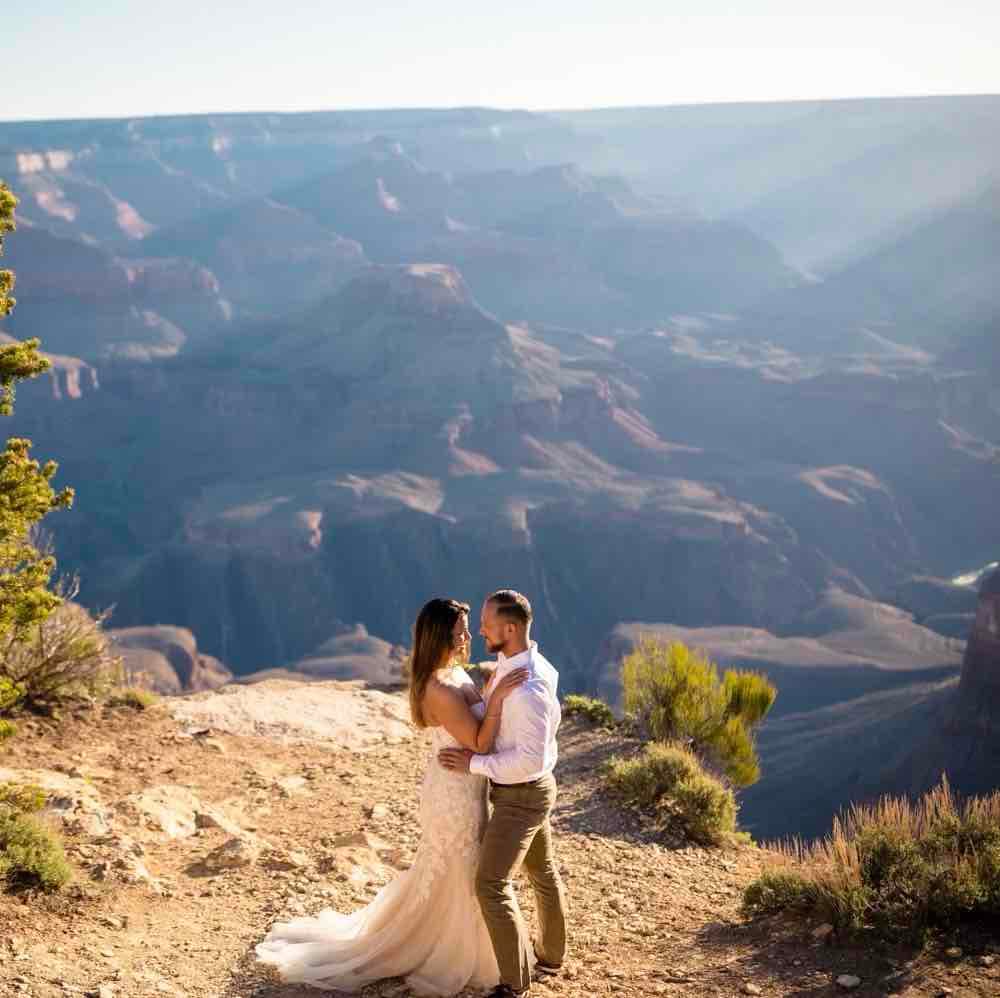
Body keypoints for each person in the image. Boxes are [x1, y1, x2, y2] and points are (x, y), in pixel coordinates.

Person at [255, 596, 527, 995]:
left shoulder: (453, 673)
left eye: (468, 629)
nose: (469, 637)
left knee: (466, 866)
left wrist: (491, 692)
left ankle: (484, 948)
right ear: (441, 637)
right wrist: (500, 698)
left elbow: (479, 724)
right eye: (460, 632)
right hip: (453, 794)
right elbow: (481, 744)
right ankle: (451, 952)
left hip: (466, 787)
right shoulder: (439, 688)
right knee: (459, 866)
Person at [439, 589, 568, 998]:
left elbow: (527, 762)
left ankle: (514, 985)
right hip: (536, 789)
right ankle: (551, 955)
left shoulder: (527, 687)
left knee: (491, 884)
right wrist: (492, 700)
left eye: (487, 623)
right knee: (542, 872)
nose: (479, 630)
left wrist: (474, 764)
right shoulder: (526, 666)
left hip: (521, 795)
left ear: (510, 629)